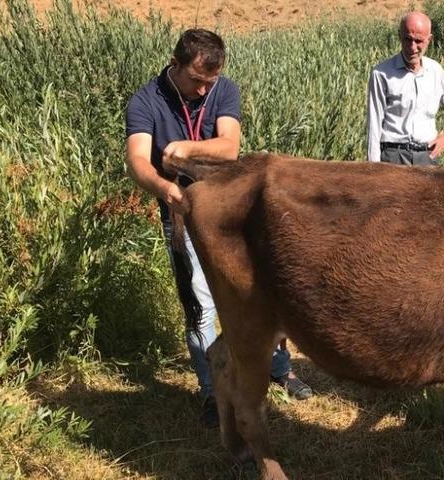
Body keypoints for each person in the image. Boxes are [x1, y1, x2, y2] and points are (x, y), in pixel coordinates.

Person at [125, 29, 312, 428]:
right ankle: (212, 388)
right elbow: (138, 161)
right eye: (197, 80)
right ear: (175, 65)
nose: (204, 89)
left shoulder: (222, 89)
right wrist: (163, 186)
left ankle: (280, 368)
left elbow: (229, 146)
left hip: (233, 211)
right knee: (201, 301)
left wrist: (186, 149)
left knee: (260, 289)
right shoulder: (145, 101)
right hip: (181, 211)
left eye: (211, 81)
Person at [367, 11, 444, 165]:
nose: (412, 47)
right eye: (407, 39)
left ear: (429, 40)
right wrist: (373, 169)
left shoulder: (435, 71)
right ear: (399, 36)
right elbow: (374, 125)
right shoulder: (381, 73)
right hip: (393, 158)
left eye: (418, 41)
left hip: (427, 157)